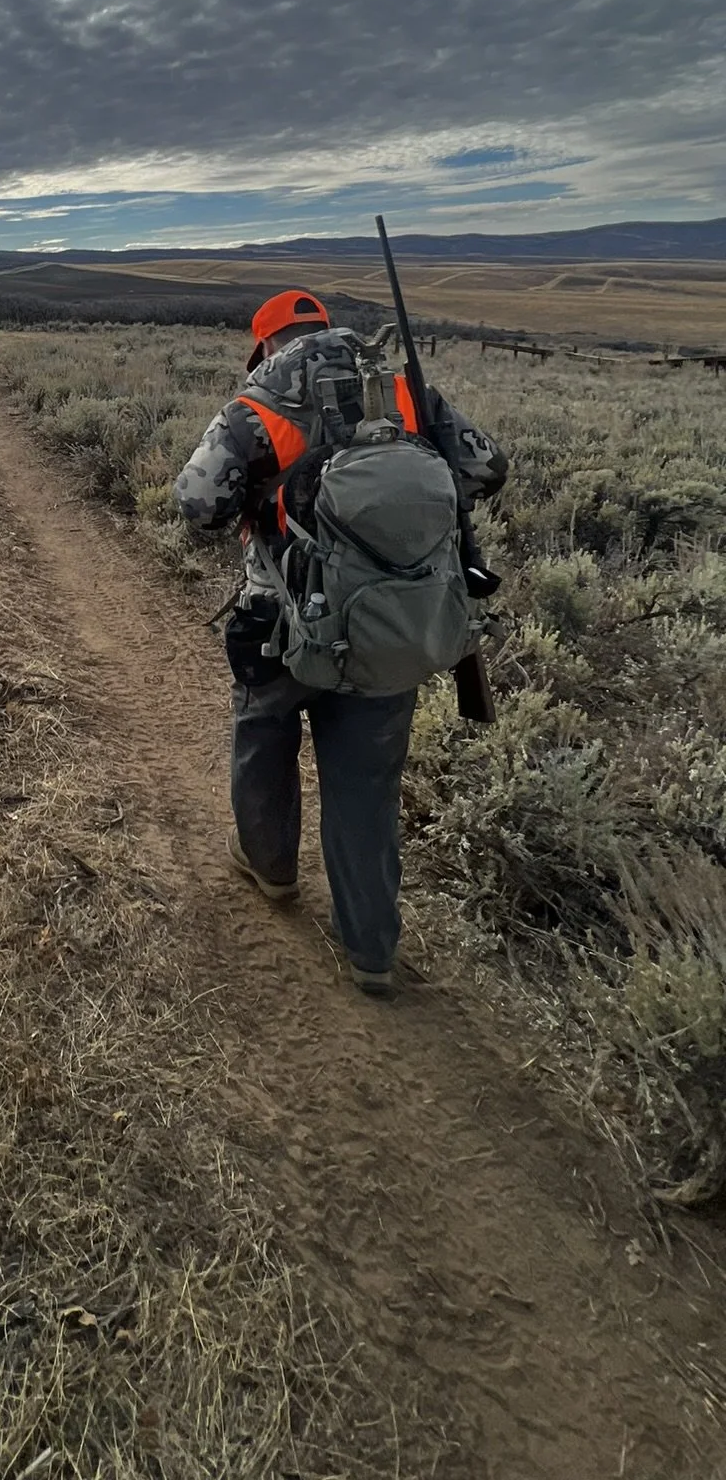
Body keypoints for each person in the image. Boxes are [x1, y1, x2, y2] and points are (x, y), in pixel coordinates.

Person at [174, 290, 506, 996]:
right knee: (367, 785)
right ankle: (372, 950)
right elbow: (485, 468)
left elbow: (199, 505)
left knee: (264, 736)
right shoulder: (406, 392)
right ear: (327, 331)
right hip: (389, 627)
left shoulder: (256, 407)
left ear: (265, 346)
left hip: (278, 618)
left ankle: (271, 871)